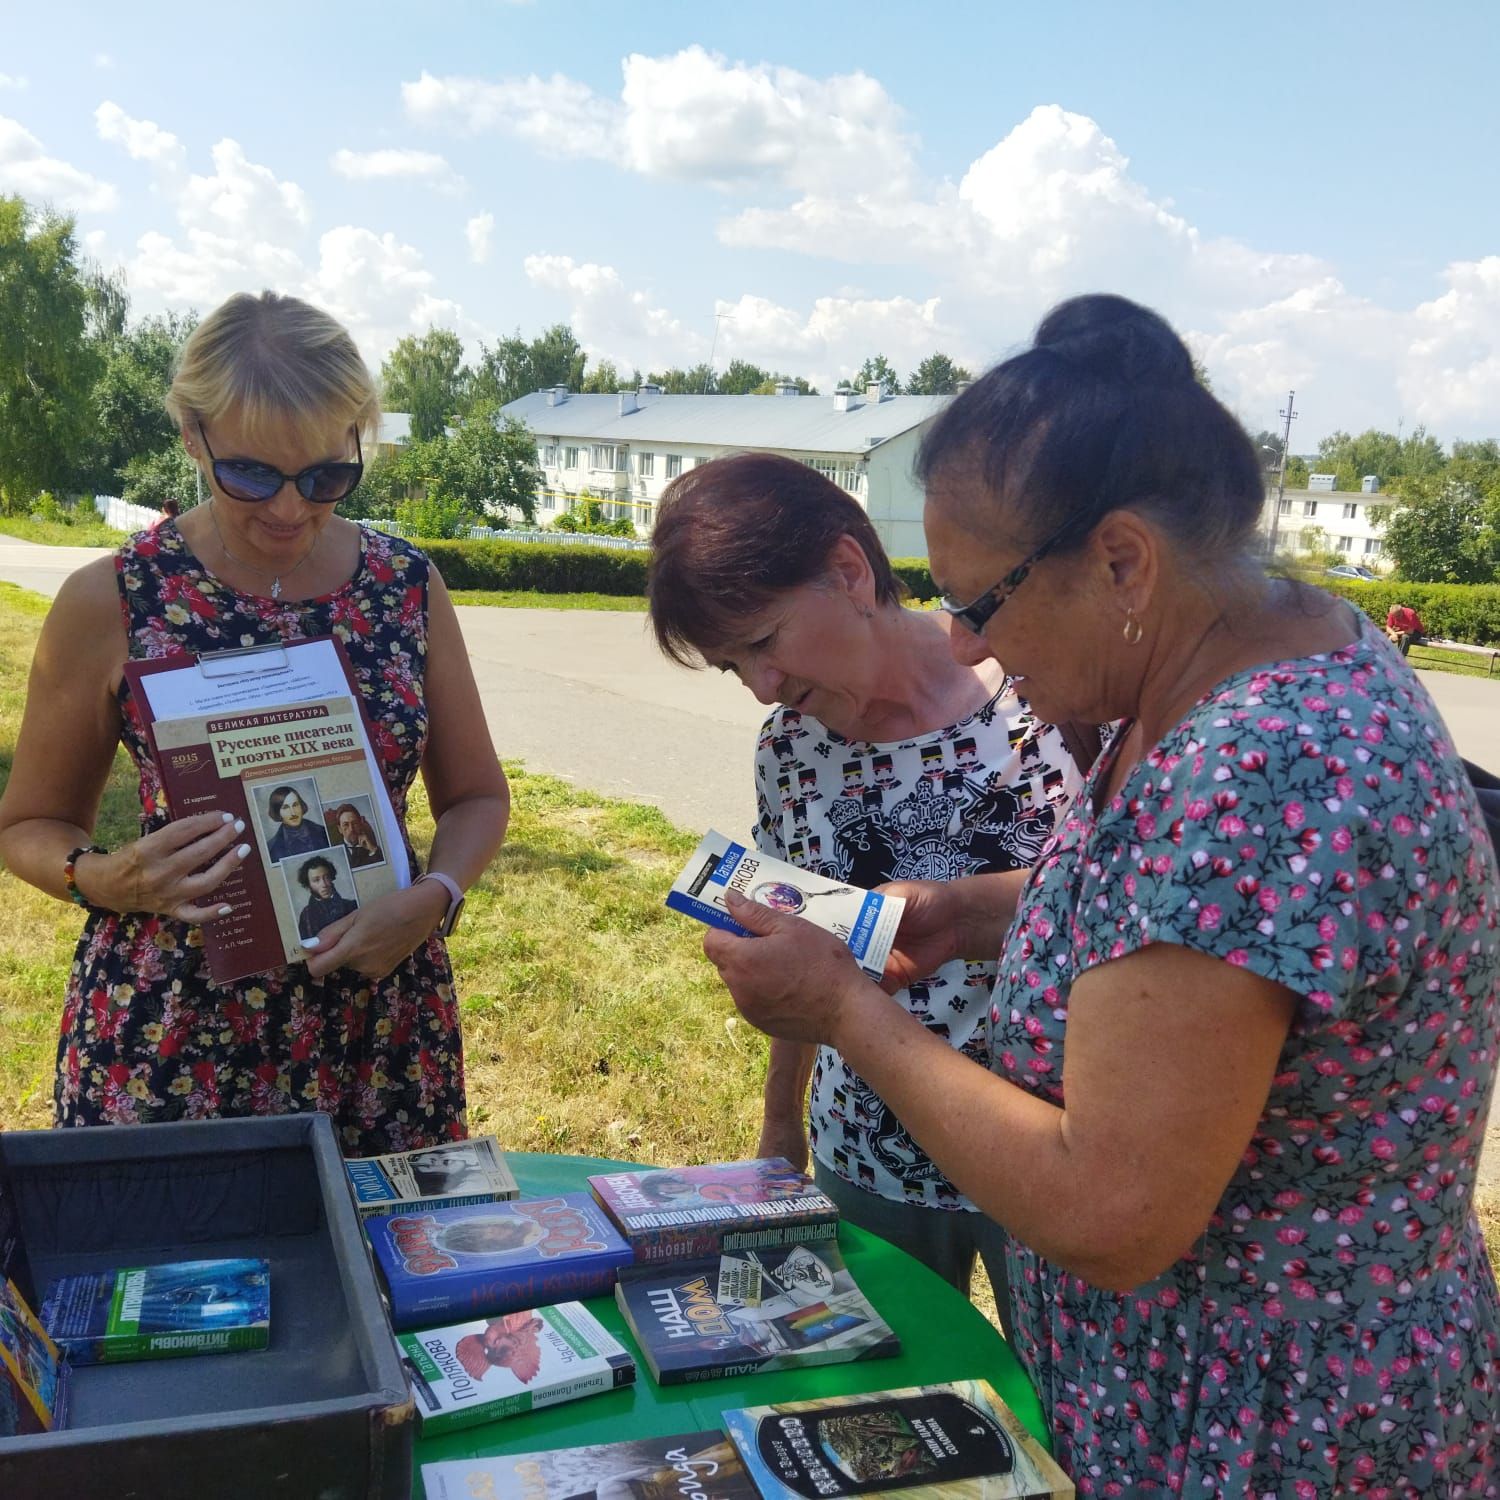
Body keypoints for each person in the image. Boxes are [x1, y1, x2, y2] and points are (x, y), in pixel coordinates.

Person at [700, 296, 1499, 1493]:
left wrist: (846, 1014)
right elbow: (1175, 928)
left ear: (1121, 558)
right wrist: (970, 913)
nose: (966, 643)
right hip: (1211, 1396)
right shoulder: (1233, 673)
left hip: (1268, 1432)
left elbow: (1112, 1210)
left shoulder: (1262, 769)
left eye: (983, 601)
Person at [0, 290, 509, 1154]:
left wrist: (435, 899)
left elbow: (477, 798)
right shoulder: (113, 598)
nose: (287, 509)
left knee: (380, 1283)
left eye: (324, 476)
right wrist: (106, 878)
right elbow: (29, 825)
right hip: (173, 1037)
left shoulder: (405, 587)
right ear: (192, 434)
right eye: (250, 474)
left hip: (377, 1028)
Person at [647, 452, 1088, 1318]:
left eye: (765, 641)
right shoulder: (789, 749)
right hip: (871, 1150)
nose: (764, 688)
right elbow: (801, 941)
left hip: (1051, 1156)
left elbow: (1120, 900)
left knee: (1053, 1421)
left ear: (850, 571)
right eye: (736, 666)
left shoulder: (1044, 694)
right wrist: (782, 1128)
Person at [295, 855, 358, 941]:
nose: (324, 884)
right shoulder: (306, 915)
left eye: (327, 877)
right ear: (308, 885)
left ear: (331, 878)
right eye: (316, 880)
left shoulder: (351, 905)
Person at [266, 784, 330, 863]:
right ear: (278, 813)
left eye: (295, 805)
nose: (293, 813)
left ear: (301, 806)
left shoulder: (323, 833)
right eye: (285, 807)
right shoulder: (272, 848)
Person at [331, 801, 383, 868]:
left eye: (355, 823)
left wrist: (372, 849)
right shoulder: (336, 852)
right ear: (340, 829)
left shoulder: (371, 846)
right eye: (346, 825)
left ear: (360, 824)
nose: (351, 829)